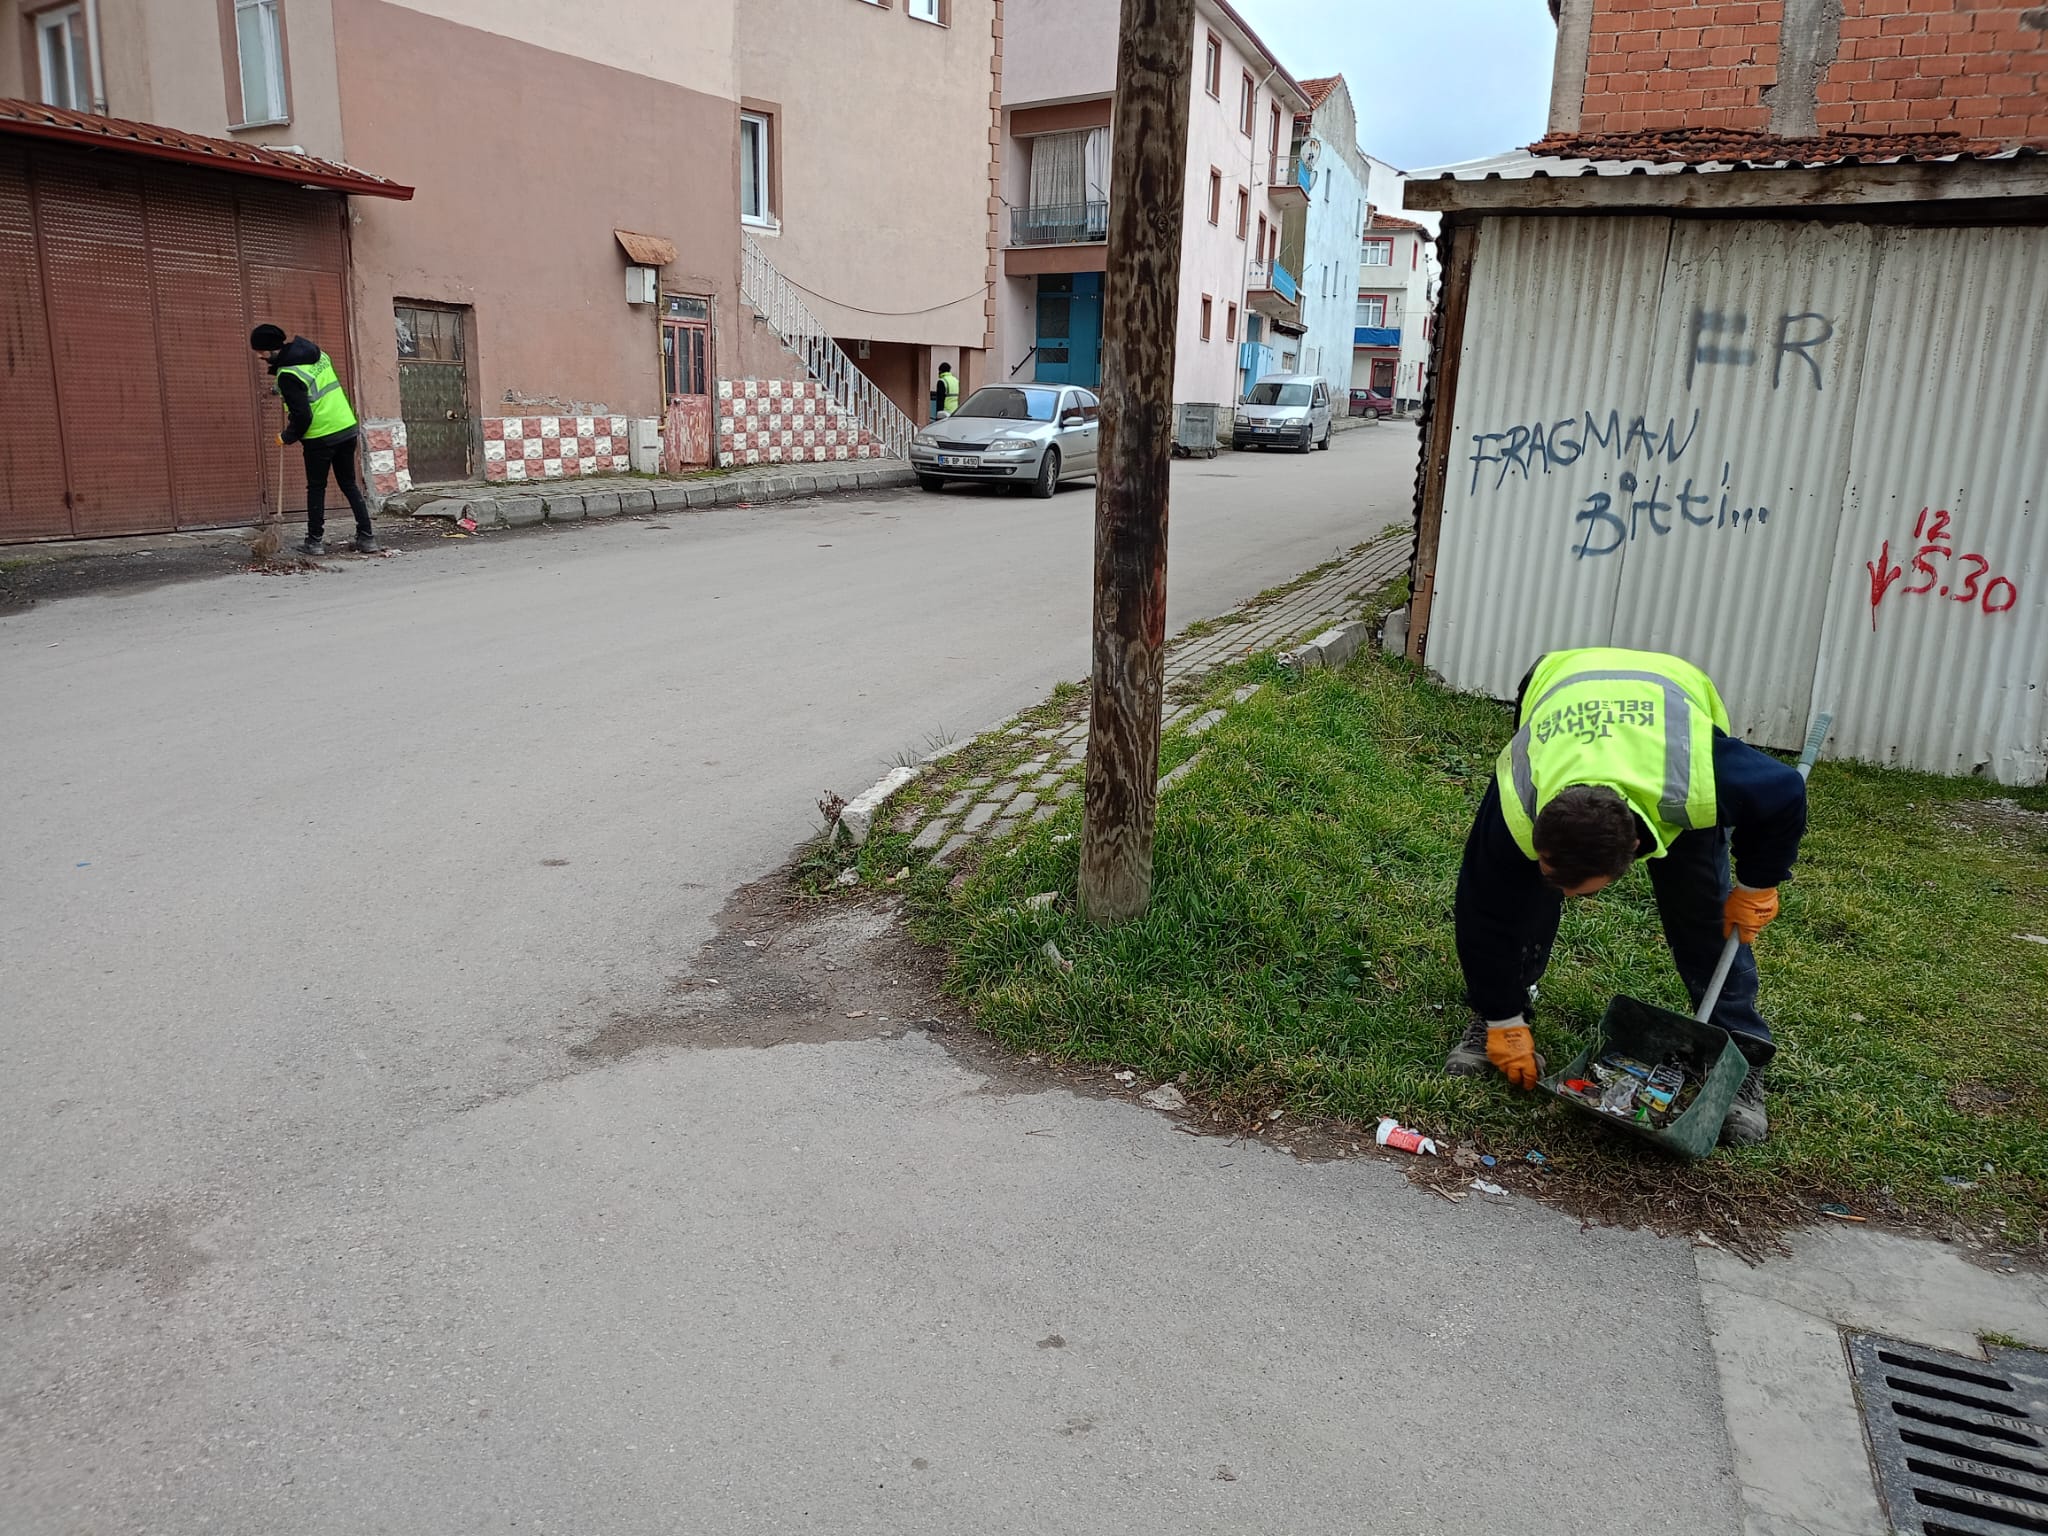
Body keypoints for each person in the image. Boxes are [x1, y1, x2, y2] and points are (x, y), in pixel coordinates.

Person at [1444, 646, 1808, 1145]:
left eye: (1579, 889)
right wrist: (1501, 1019)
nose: (1569, 898)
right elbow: (1484, 911)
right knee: (1519, 899)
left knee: (1705, 913)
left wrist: (1757, 884)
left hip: (1668, 703)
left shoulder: (1699, 778)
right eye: (1557, 878)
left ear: (1633, 852)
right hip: (1561, 677)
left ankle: (1740, 1055)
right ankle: (1505, 1014)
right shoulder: (1519, 798)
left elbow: (1784, 790)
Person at [249, 324, 376, 556]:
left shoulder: (288, 375)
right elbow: (313, 385)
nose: (259, 356)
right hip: (346, 428)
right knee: (349, 484)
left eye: (260, 351)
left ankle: (314, 541)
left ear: (270, 350)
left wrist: (287, 437)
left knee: (317, 488)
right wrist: (283, 390)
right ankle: (367, 538)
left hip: (321, 437)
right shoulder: (318, 354)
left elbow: (303, 416)